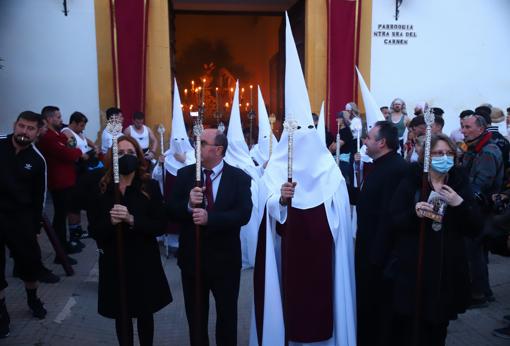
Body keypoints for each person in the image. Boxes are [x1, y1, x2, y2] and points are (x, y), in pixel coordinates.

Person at [389, 134, 481, 346]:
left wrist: (460, 204)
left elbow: (475, 228)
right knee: (413, 327)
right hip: (416, 267)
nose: (445, 157)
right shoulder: (412, 182)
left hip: (446, 269)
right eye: (439, 153)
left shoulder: (459, 181)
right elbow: (394, 220)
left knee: (438, 328)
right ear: (427, 156)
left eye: (449, 153)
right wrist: (414, 213)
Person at [168, 128, 252, 346]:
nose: (197, 146)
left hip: (225, 261)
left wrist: (210, 218)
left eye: (203, 143)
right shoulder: (185, 174)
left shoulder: (239, 178)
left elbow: (244, 214)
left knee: (226, 317)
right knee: (196, 318)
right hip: (192, 260)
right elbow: (169, 210)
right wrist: (187, 205)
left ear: (218, 149)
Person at [87, 135, 171, 346]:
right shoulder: (102, 188)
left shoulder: (149, 186)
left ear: (139, 156)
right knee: (121, 313)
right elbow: (94, 230)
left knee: (144, 313)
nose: (126, 157)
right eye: (121, 153)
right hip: (114, 260)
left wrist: (132, 219)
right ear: (112, 158)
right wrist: (110, 221)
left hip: (143, 259)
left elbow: (160, 225)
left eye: (131, 153)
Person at [355, 120, 409, 346]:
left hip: (381, 256)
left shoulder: (396, 169)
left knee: (381, 310)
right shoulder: (380, 165)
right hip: (372, 249)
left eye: (368, 137)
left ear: (382, 142)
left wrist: (376, 257)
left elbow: (390, 216)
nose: (365, 142)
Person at [0, 111, 50, 337]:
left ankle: (33, 299)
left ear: (37, 131)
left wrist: (35, 228)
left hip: (21, 220)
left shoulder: (38, 160)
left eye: (30, 128)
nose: (24, 131)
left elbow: (39, 198)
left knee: (29, 264)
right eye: (21, 126)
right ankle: (2, 313)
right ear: (15, 124)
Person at [461, 113, 503, 307]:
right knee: (475, 252)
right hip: (475, 208)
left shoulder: (487, 152)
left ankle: (478, 295)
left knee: (473, 253)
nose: (464, 131)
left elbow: (480, 185)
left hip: (480, 210)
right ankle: (484, 291)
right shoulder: (474, 148)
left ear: (481, 128)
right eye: (463, 126)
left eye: (468, 127)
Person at [38, 106, 84, 262]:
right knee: (59, 217)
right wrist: (77, 152)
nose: (61, 119)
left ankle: (64, 246)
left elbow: (70, 144)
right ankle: (60, 252)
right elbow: (68, 153)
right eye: (58, 117)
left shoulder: (58, 134)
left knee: (63, 215)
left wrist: (73, 149)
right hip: (59, 182)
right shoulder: (49, 137)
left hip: (67, 180)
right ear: (49, 119)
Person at [61, 111, 103, 242]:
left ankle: (80, 229)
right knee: (75, 202)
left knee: (87, 199)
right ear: (73, 123)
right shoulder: (67, 132)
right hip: (78, 169)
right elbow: (72, 146)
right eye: (81, 125)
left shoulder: (79, 132)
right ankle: (75, 231)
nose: (83, 128)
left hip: (88, 168)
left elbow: (86, 140)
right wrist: (80, 155)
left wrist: (94, 146)